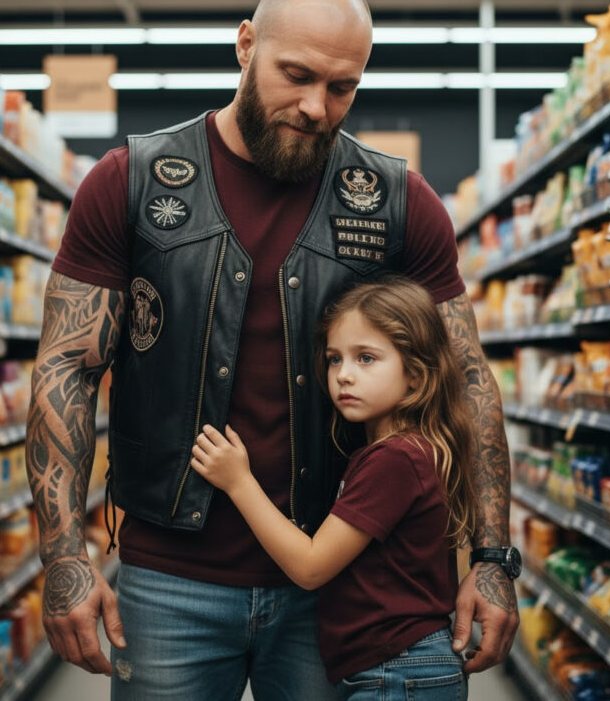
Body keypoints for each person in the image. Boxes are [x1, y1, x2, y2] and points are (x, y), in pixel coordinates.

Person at [26, 0, 518, 701]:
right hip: (168, 580)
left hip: (340, 584)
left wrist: (491, 557)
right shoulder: (131, 183)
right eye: (297, 75)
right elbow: (67, 366)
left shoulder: (396, 204)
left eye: (343, 87)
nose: (317, 106)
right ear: (246, 45)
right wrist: (64, 555)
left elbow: (467, 378)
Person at [192, 277, 476, 699]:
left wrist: (239, 482)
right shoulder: (410, 450)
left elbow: (311, 567)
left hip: (398, 669)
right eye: (334, 359)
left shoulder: (395, 460)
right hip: (401, 665)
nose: (343, 375)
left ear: (415, 376)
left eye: (366, 358)